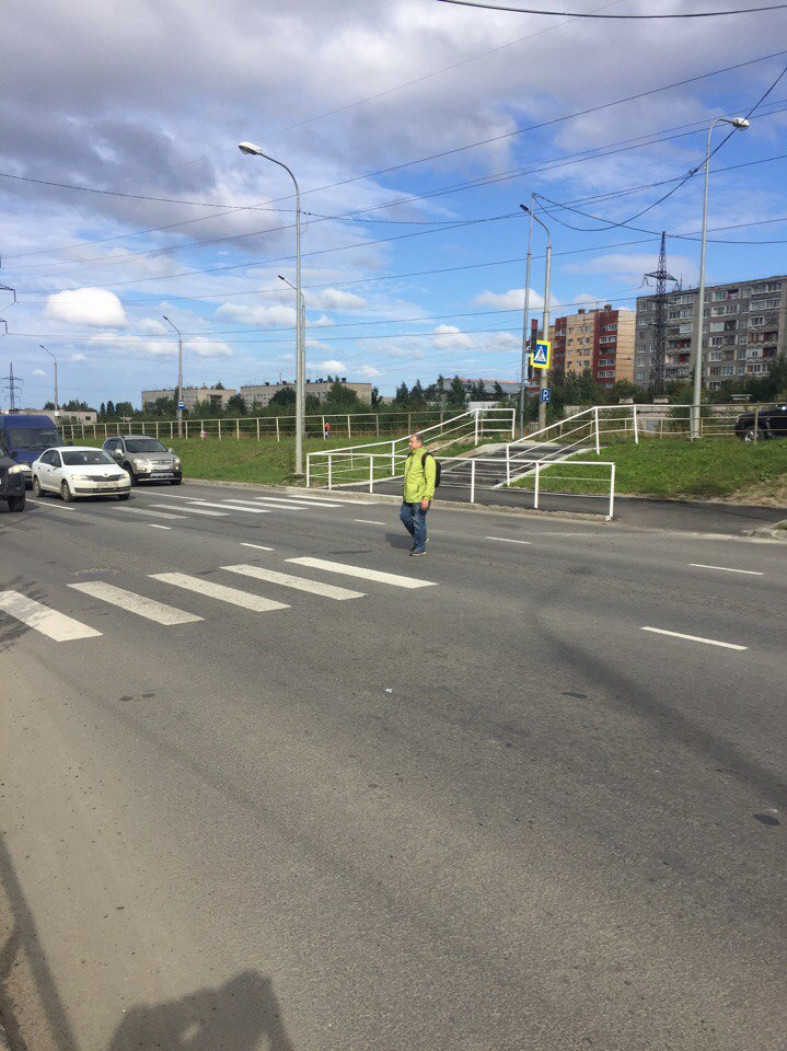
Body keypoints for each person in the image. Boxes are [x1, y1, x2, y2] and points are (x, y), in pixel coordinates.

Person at [400, 432, 436, 556]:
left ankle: (420, 547)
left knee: (418, 521)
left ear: (419, 442)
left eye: (411, 441)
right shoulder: (410, 455)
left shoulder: (426, 457)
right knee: (404, 517)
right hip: (408, 495)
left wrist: (427, 497)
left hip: (420, 496)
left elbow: (431, 480)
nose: (409, 443)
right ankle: (421, 537)